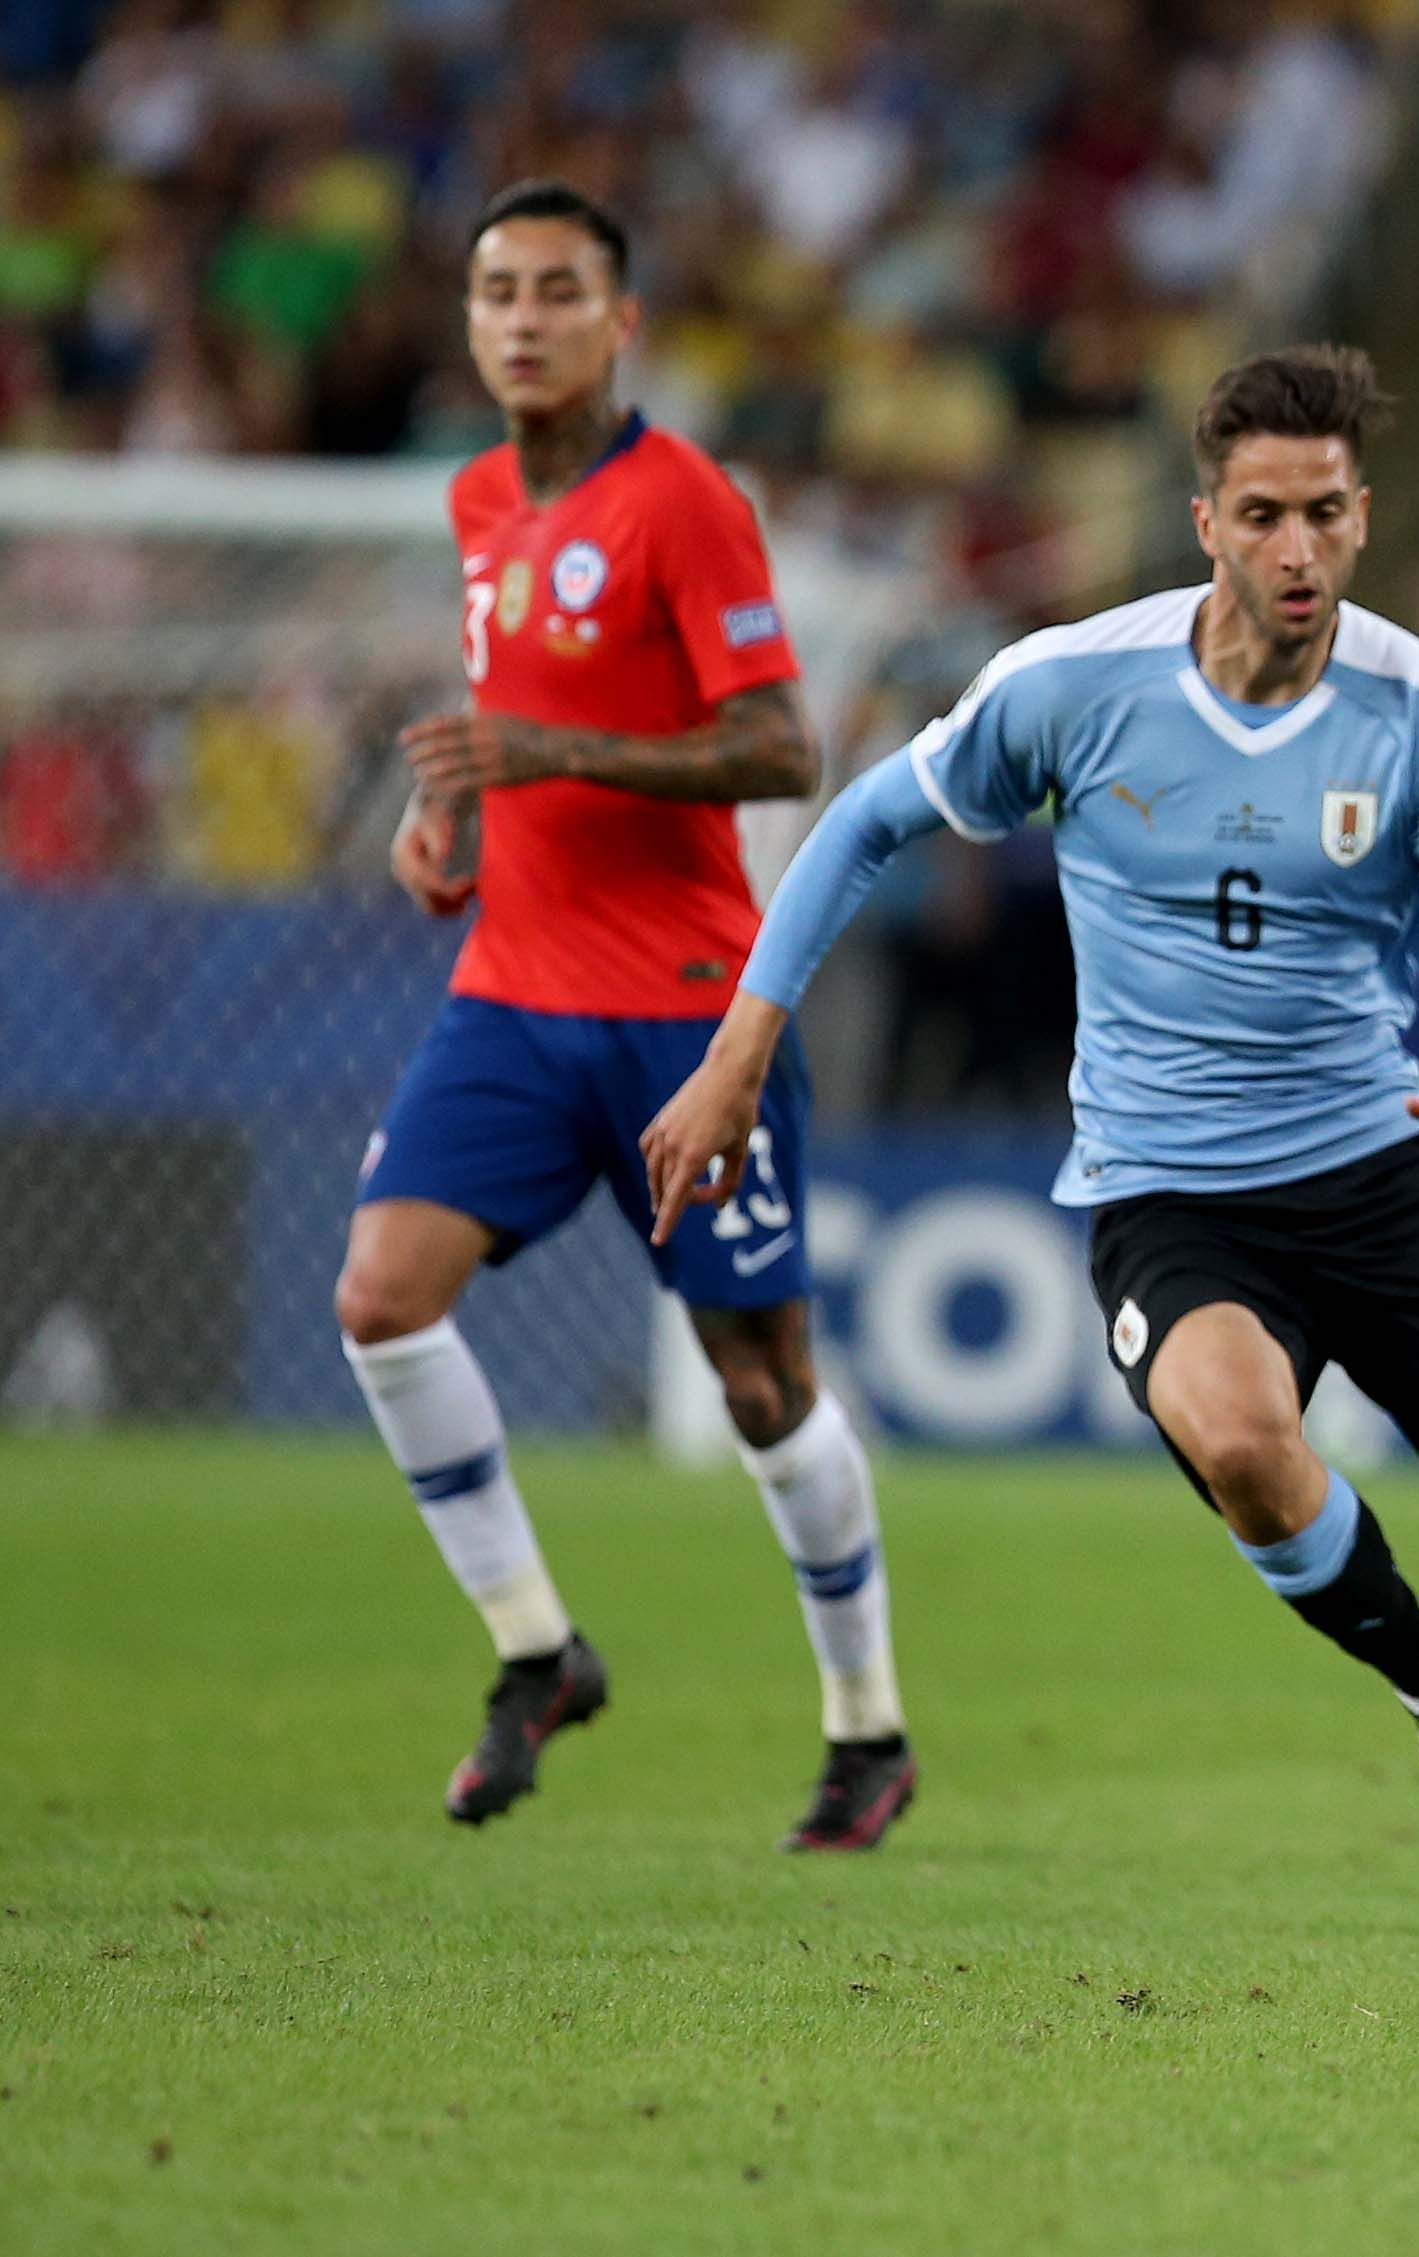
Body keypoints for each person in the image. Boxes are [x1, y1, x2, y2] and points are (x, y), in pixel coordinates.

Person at [643, 346, 1419, 1929]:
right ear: (1206, 519)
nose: (1297, 550)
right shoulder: (1075, 687)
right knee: (1236, 1441)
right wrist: (743, 1043)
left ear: (1363, 519)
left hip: (1387, 1170)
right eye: (1263, 514)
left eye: (1327, 515)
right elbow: (870, 817)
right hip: (1171, 1189)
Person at [335, 181, 914, 1850]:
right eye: (497, 290)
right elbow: (513, 733)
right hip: (511, 992)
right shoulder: (472, 503)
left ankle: (865, 1724)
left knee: (760, 1384)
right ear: (470, 320)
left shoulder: (687, 504)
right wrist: (454, 826)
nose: (523, 317)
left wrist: (548, 759)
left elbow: (781, 748)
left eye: (559, 290)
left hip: (683, 1009)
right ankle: (537, 1648)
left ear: (622, 318)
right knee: (381, 1296)